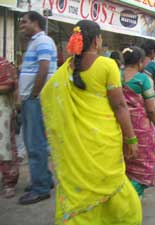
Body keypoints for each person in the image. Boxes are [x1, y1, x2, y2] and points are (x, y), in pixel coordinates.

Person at [40, 21, 142, 224]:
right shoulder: (107, 65)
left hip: (76, 146)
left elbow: (46, 94)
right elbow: (120, 106)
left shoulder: (65, 69)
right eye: (101, 38)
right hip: (103, 144)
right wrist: (131, 139)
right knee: (114, 188)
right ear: (96, 40)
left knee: (81, 192)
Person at [18, 11, 56, 205]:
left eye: (24, 21)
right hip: (32, 99)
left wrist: (33, 95)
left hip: (36, 100)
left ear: (35, 22)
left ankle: (40, 188)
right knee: (35, 141)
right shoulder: (35, 41)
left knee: (35, 144)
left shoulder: (43, 41)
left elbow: (43, 68)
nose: (21, 24)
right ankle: (44, 179)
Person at [121, 46, 155, 197]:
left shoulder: (115, 76)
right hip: (140, 130)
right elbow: (151, 110)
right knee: (144, 168)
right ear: (140, 62)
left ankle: (127, 195)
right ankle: (128, 199)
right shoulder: (143, 79)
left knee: (125, 165)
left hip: (118, 127)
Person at [0, 58, 19, 198]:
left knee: (4, 146)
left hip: (3, 109)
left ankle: (9, 182)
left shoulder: (3, 64)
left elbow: (10, 85)